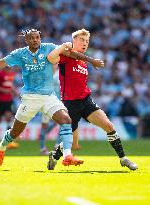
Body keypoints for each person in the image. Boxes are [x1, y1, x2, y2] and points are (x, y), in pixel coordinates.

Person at [0, 29, 99, 167]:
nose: (35, 40)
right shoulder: (19, 54)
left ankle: (67, 156)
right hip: (30, 98)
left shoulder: (48, 48)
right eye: (32, 38)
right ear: (26, 40)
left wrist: (91, 60)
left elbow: (71, 53)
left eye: (37, 37)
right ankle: (2, 147)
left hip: (48, 97)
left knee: (66, 120)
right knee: (15, 132)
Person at [47, 28, 138, 171]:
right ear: (74, 41)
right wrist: (62, 47)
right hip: (70, 103)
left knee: (108, 126)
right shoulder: (66, 55)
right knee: (68, 142)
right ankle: (54, 155)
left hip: (86, 100)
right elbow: (51, 58)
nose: (85, 43)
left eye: (87, 41)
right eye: (81, 40)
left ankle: (123, 158)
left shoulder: (83, 62)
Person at [39, 68, 81, 155]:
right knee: (44, 126)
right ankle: (42, 148)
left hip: (58, 103)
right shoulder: (45, 72)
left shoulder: (60, 73)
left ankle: (57, 145)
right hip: (46, 102)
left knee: (63, 123)